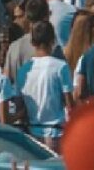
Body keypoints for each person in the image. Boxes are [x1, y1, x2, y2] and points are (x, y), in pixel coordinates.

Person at [16, 22, 73, 150]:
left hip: (33, 133)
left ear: (33, 42)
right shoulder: (60, 67)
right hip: (56, 132)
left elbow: (19, 106)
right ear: (52, 40)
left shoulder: (23, 71)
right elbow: (70, 105)